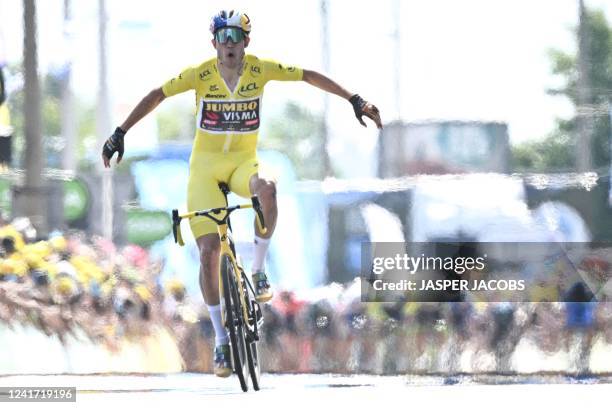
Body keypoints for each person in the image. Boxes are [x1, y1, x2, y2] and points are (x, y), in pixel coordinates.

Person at [102, 9, 382, 377]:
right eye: (224, 36)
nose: (230, 43)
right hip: (204, 171)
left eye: (237, 37)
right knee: (207, 254)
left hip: (243, 166)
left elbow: (308, 76)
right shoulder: (201, 74)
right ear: (214, 41)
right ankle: (221, 341)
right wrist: (121, 131)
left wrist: (354, 99)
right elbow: (158, 94)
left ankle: (259, 269)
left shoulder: (260, 69)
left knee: (268, 187)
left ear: (246, 42)